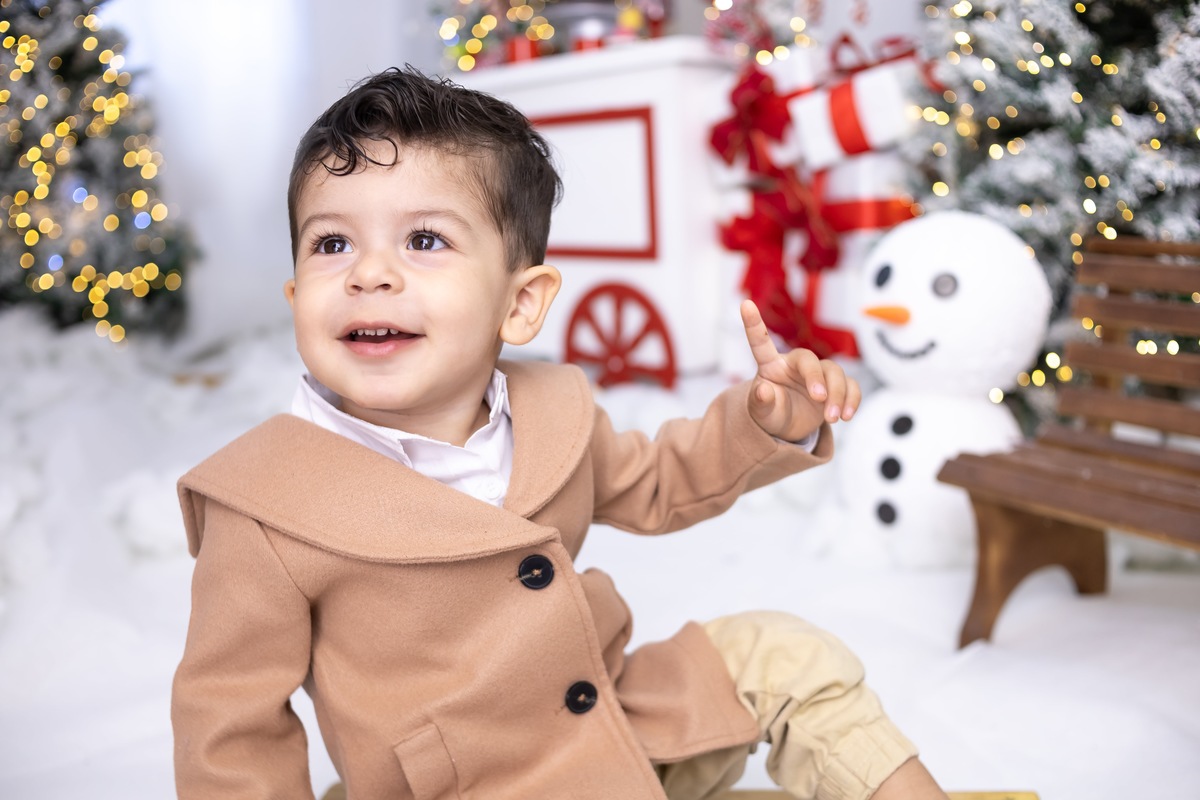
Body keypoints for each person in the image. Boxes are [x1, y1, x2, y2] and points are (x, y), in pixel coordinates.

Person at [171, 66, 947, 800]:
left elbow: (662, 482)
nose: (369, 274)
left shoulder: (554, 412)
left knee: (788, 655)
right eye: (331, 244)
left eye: (424, 240)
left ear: (521, 305)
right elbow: (231, 729)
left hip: (610, 728)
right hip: (457, 786)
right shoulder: (264, 507)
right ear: (297, 293)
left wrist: (760, 424)